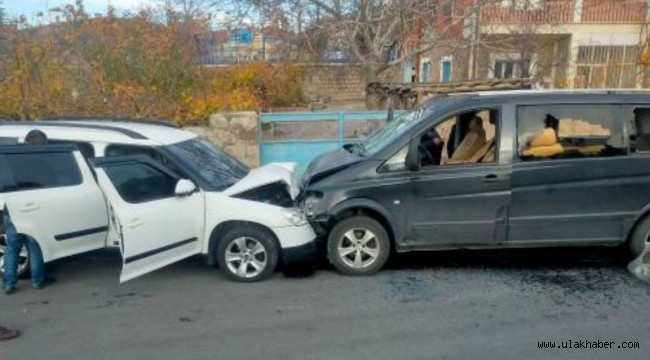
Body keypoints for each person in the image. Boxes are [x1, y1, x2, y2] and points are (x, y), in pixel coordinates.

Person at [3, 129, 56, 295]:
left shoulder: (10, 157)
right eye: (44, 144)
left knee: (12, 246)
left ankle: (9, 283)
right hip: (34, 207)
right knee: (35, 245)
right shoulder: (42, 162)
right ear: (39, 144)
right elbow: (51, 184)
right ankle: (38, 281)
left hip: (12, 207)